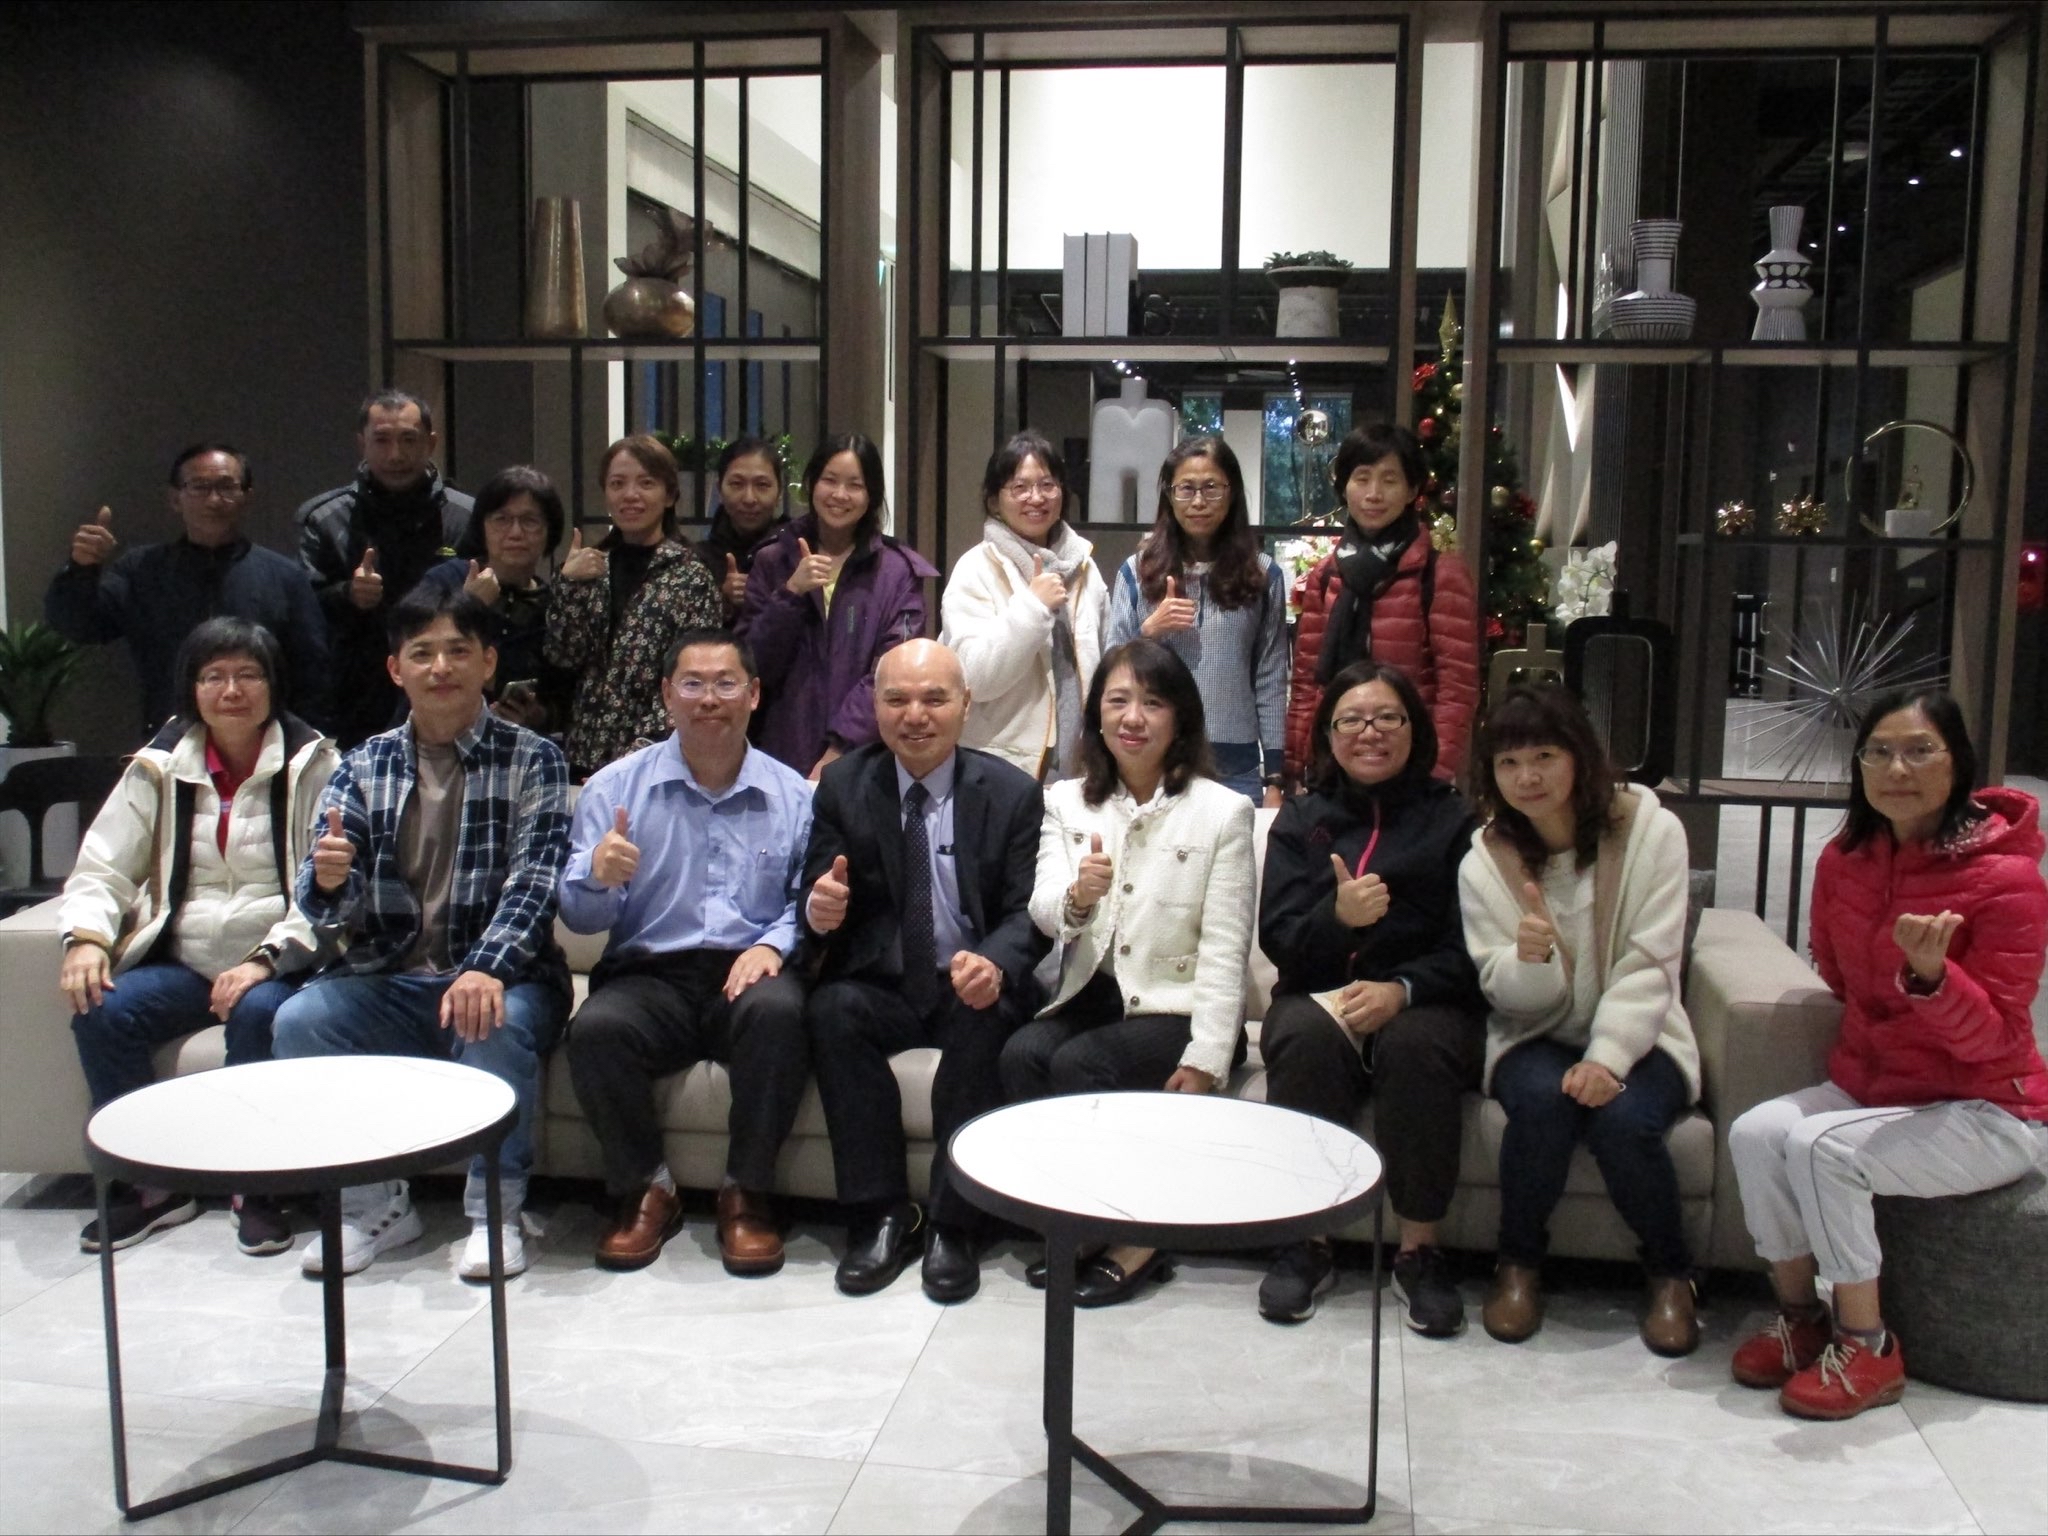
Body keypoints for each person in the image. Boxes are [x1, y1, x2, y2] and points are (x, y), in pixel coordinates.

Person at [1726, 689, 2047, 1421]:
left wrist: (1931, 980)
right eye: (1878, 751)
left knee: (1821, 1148)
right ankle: (1800, 1319)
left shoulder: (2009, 880)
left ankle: (1866, 1345)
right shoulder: (1848, 859)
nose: (1896, 768)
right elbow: (1838, 975)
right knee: (1756, 1132)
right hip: (1876, 1090)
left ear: (1958, 761)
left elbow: (1997, 1037)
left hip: (1989, 1109)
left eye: (1919, 750)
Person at [271, 586, 573, 1282]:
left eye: (458, 651)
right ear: (395, 669)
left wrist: (486, 967)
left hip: (508, 978)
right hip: (390, 979)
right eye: (422, 653)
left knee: (493, 1017)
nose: (441, 667)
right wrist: (326, 881)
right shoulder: (360, 766)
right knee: (300, 1021)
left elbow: (535, 881)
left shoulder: (534, 759)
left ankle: (493, 1212)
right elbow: (325, 912)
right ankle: (371, 1208)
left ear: (489, 663)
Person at [58, 618, 338, 1256]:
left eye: (248, 675)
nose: (231, 690)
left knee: (258, 1011)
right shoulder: (157, 768)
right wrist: (85, 939)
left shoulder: (315, 765)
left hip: (277, 962)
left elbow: (332, 891)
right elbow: (103, 865)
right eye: (213, 676)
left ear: (274, 685)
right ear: (192, 688)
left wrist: (267, 960)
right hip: (184, 961)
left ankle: (256, 1186)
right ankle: (151, 1185)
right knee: (103, 1007)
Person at [800, 640, 1049, 1302]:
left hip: (969, 978)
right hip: (883, 981)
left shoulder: (1012, 793)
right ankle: (882, 1213)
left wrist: (995, 962)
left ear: (965, 706)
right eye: (897, 699)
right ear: (874, 707)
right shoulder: (845, 785)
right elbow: (816, 893)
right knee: (830, 1011)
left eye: (935, 698)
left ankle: (954, 1225)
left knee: (986, 1020)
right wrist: (819, 908)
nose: (916, 714)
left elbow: (1031, 914)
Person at [1457, 684, 1702, 1356]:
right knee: (1541, 1104)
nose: (1527, 777)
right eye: (1509, 764)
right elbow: (1502, 991)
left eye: (1544, 755)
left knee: (1625, 1120)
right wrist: (1528, 962)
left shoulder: (1651, 831)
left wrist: (1607, 1057)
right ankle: (1517, 1267)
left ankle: (1670, 1276)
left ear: (1581, 757)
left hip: (1643, 1032)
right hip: (1534, 1034)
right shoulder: (1485, 860)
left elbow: (1652, 961)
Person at [1007, 639, 1253, 1306]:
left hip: (1180, 1010)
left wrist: (1205, 1058)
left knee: (1080, 1066)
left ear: (1181, 718)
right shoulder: (1067, 802)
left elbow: (1228, 947)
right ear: (1097, 717)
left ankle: (1137, 1235)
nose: (1133, 717)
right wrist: (1081, 896)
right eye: (1117, 701)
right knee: (1025, 1055)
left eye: (1152, 702)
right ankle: (1078, 1222)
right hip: (1099, 996)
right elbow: (1046, 907)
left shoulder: (1222, 811)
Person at [560, 629, 813, 1276]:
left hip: (745, 969)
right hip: (650, 974)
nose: (709, 699)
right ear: (668, 694)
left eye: (726, 683)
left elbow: (807, 902)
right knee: (597, 1028)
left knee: (780, 1013)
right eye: (693, 685)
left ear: (754, 695)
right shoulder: (616, 790)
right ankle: (647, 1189)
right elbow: (581, 917)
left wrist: (773, 944)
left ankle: (747, 1195)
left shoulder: (794, 798)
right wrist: (595, 873)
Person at [1255, 661, 1485, 1330]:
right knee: (1301, 1036)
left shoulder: (1453, 821)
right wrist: (1339, 917)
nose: (1371, 733)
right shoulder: (1302, 819)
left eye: (1388, 717)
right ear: (1328, 735)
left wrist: (1403, 989)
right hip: (1320, 994)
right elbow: (1280, 938)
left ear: (1415, 729)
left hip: (1423, 1001)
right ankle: (1308, 1239)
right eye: (1351, 720)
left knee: (1418, 1046)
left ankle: (1419, 1250)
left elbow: (1472, 945)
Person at [46, 443, 330, 735]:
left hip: (264, 745)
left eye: (227, 487)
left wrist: (303, 747)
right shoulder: (141, 570)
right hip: (169, 740)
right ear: (175, 499)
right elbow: (78, 626)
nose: (214, 500)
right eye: (199, 487)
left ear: (247, 496)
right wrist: (81, 568)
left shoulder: (284, 576)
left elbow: (314, 675)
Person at [1284, 423, 1480, 785]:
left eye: (1389, 480)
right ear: (1344, 487)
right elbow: (1307, 682)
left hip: (1410, 765)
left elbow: (1458, 689)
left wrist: (1433, 773)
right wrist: (1296, 767)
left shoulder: (1439, 574)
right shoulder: (1326, 576)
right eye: (1362, 478)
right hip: (1336, 761)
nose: (1374, 494)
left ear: (1412, 490)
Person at [739, 432, 937, 778]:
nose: (840, 495)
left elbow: (893, 670)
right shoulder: (773, 559)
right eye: (829, 481)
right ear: (811, 484)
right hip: (778, 753)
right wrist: (790, 594)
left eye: (855, 485)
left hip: (867, 759)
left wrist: (840, 749)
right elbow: (750, 667)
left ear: (871, 495)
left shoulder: (897, 571)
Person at [1105, 436, 1287, 805]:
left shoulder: (1263, 575)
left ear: (1232, 493)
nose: (1199, 502)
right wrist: (1148, 633)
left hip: (1236, 769)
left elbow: (1270, 678)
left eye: (1212, 488)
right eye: (1186, 489)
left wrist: (1276, 778)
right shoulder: (1137, 573)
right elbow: (1109, 672)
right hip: (1152, 762)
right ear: (1169, 497)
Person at [297, 390, 474, 748]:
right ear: (362, 443)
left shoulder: (466, 516)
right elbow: (302, 611)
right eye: (382, 440)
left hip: (444, 684)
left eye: (409, 440)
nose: (396, 454)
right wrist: (348, 595)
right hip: (354, 696)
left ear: (431, 442)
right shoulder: (325, 518)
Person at [545, 434, 723, 779]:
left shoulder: (691, 576)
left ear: (669, 495)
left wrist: (636, 755)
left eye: (646, 483)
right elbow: (562, 656)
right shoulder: (589, 567)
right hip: (583, 752)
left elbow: (693, 677)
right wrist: (567, 585)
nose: (630, 495)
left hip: (657, 758)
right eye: (617, 484)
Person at [940, 431, 1109, 780]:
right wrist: (1032, 607)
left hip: (1079, 765)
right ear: (994, 501)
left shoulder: (1084, 566)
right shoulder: (975, 568)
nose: (1036, 497)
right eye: (1020, 487)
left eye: (1048, 485)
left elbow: (1104, 660)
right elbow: (972, 679)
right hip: (1001, 765)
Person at [421, 465, 576, 736]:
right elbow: (415, 654)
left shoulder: (553, 605)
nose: (515, 533)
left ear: (549, 532)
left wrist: (538, 715)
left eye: (530, 521)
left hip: (517, 750)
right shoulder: (446, 580)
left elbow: (563, 695)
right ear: (482, 527)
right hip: (437, 737)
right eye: (501, 519)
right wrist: (469, 607)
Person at [695, 436, 791, 623]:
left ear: (779, 493)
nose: (749, 498)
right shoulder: (699, 560)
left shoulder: (796, 552)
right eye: (737, 484)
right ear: (719, 491)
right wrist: (721, 600)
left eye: (762, 485)